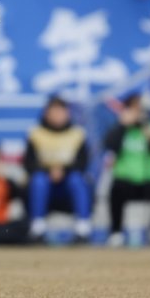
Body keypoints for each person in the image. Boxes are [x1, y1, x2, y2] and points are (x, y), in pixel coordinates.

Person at [104, 92, 150, 247]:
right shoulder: (121, 129)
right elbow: (109, 146)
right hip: (127, 180)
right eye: (133, 108)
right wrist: (122, 126)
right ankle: (116, 232)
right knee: (115, 191)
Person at [23, 96, 92, 243]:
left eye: (60, 111)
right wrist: (50, 171)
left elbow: (83, 163)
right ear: (46, 113)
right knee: (38, 180)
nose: (57, 115)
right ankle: (37, 228)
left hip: (68, 185)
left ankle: (82, 228)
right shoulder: (36, 133)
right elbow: (29, 163)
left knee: (77, 180)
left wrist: (63, 171)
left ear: (67, 113)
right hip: (45, 183)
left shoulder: (77, 134)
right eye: (53, 111)